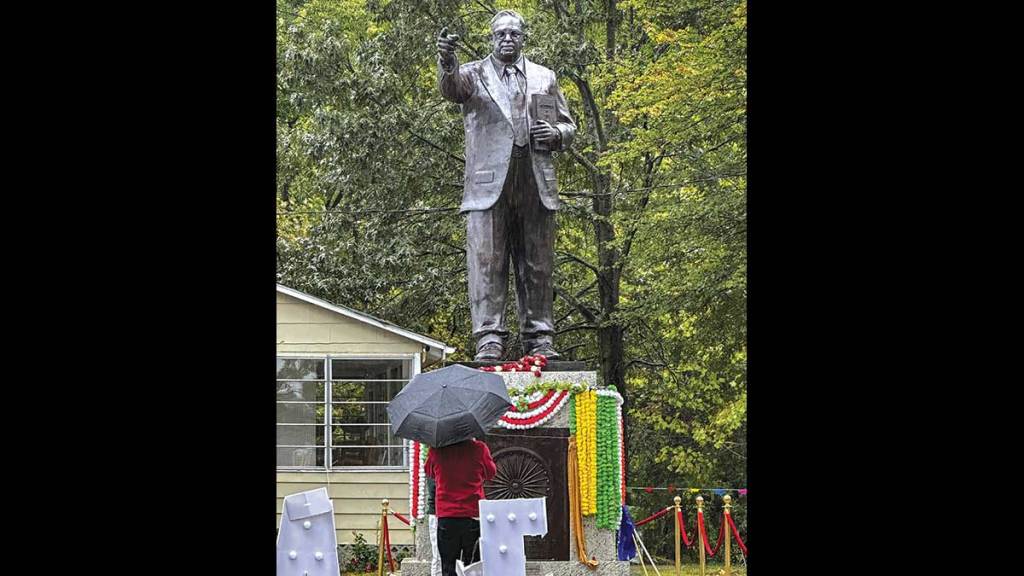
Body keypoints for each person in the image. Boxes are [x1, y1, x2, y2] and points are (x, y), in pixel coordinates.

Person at [436, 9, 576, 361]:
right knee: (487, 262)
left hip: (535, 180)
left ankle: (540, 337)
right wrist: (447, 59)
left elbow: (569, 125)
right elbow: (450, 89)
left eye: (514, 33)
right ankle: (489, 338)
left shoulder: (545, 77)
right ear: (492, 38)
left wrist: (557, 133)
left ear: (523, 37)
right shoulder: (472, 74)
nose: (508, 39)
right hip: (488, 186)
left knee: (538, 264)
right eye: (502, 34)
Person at [424, 438, 498, 576]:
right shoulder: (479, 449)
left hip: (447, 516)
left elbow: (429, 471)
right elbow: (491, 473)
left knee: (448, 566)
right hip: (473, 515)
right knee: (474, 566)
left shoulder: (436, 450)